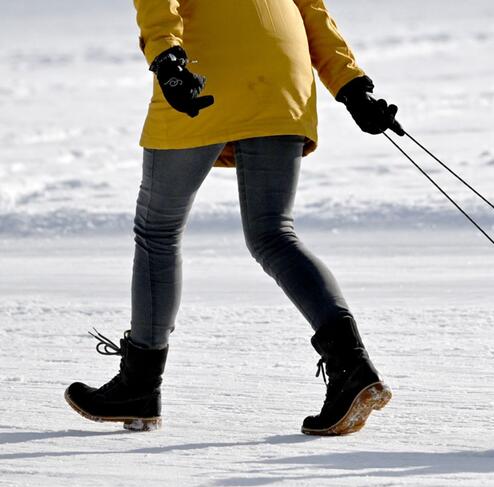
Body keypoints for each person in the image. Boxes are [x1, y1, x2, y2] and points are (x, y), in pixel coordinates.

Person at [65, 0, 404, 435]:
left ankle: (139, 384)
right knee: (274, 234)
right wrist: (351, 84)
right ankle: (352, 367)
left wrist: (167, 57)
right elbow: (311, 10)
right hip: (284, 76)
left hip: (208, 69)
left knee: (158, 230)